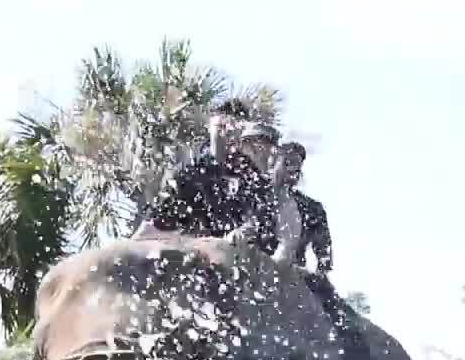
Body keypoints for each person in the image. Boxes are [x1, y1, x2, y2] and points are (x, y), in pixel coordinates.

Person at [136, 104, 280, 257]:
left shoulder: (253, 179)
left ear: (242, 134)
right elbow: (153, 228)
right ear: (210, 128)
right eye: (221, 127)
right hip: (200, 261)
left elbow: (263, 225)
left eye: (233, 129)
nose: (227, 134)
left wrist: (243, 234)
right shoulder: (191, 176)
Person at [271, 141, 333, 275]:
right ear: (272, 164)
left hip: (291, 278)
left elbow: (324, 256)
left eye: (297, 168)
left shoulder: (312, 209)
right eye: (286, 164)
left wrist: (316, 279)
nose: (292, 170)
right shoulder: (257, 198)